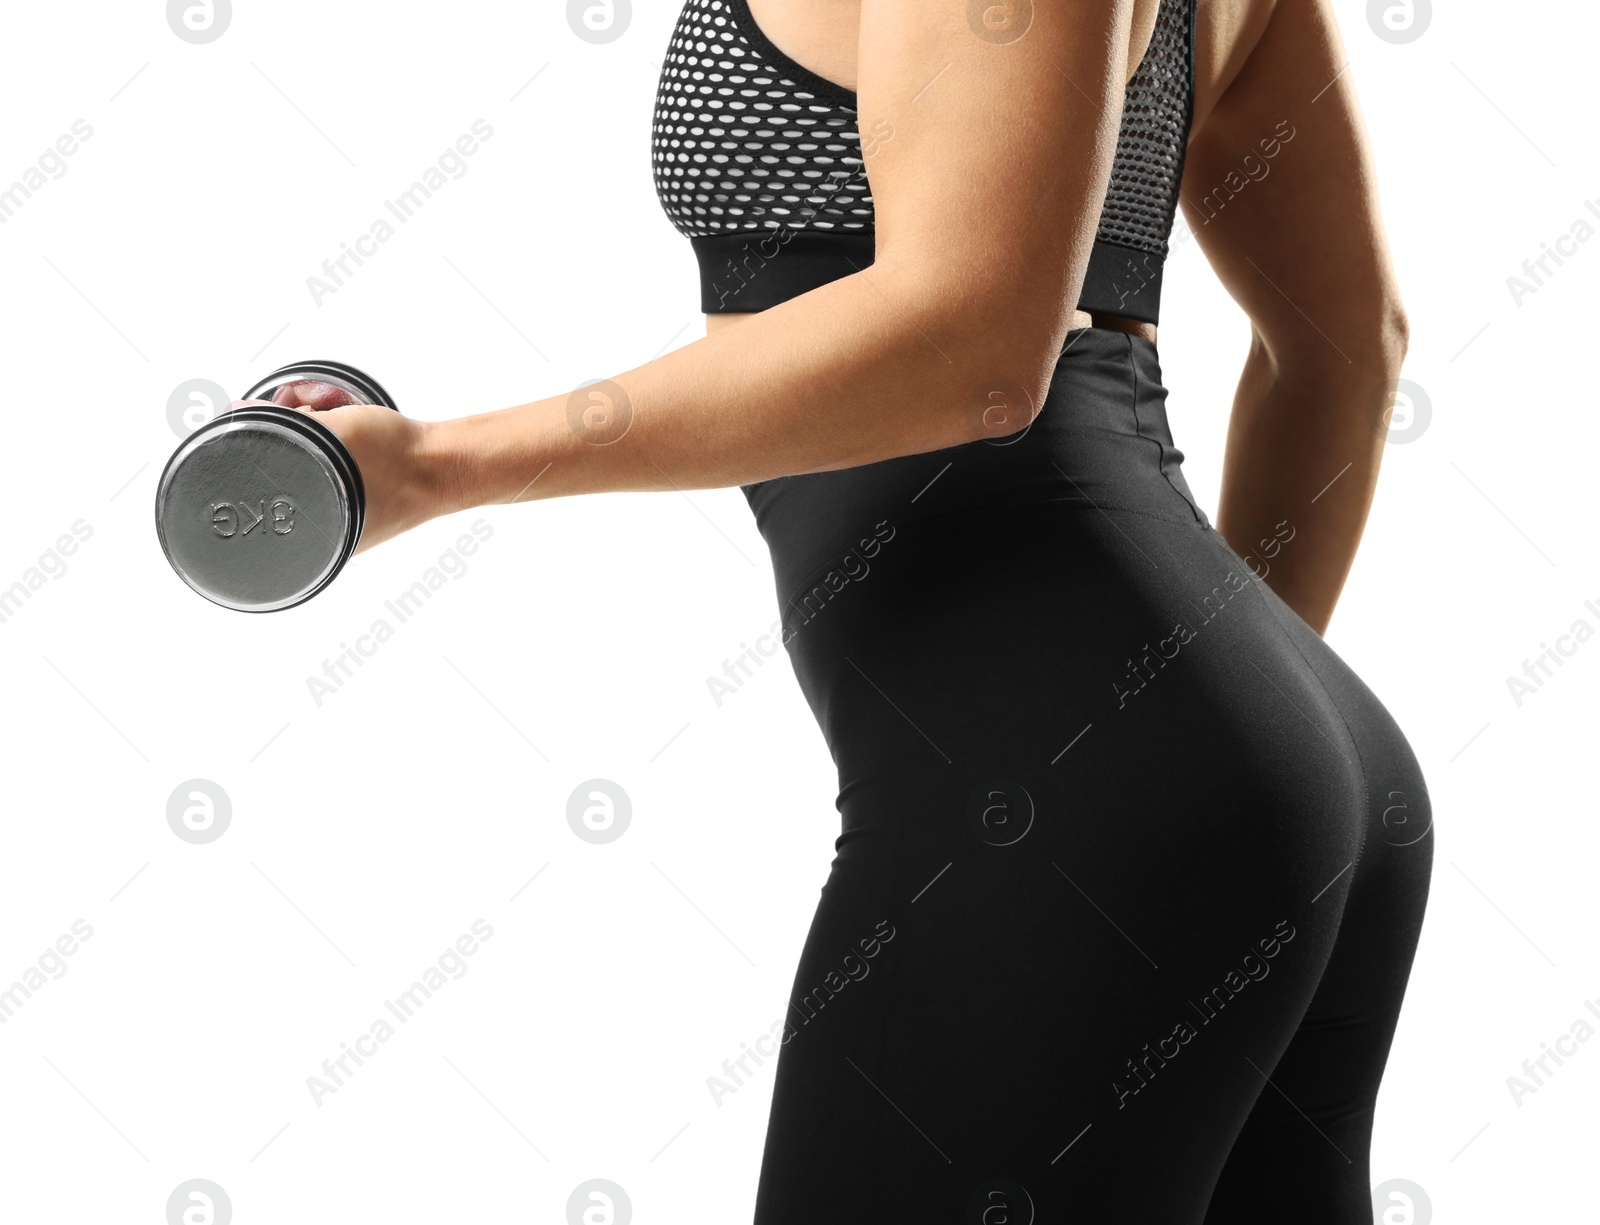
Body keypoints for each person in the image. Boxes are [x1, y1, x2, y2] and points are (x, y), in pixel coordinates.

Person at [282, 0, 1433, 1218]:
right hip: (1277, 762)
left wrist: (430, 464)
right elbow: (1348, 345)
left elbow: (973, 342)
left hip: (1074, 788)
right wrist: (1239, 745)